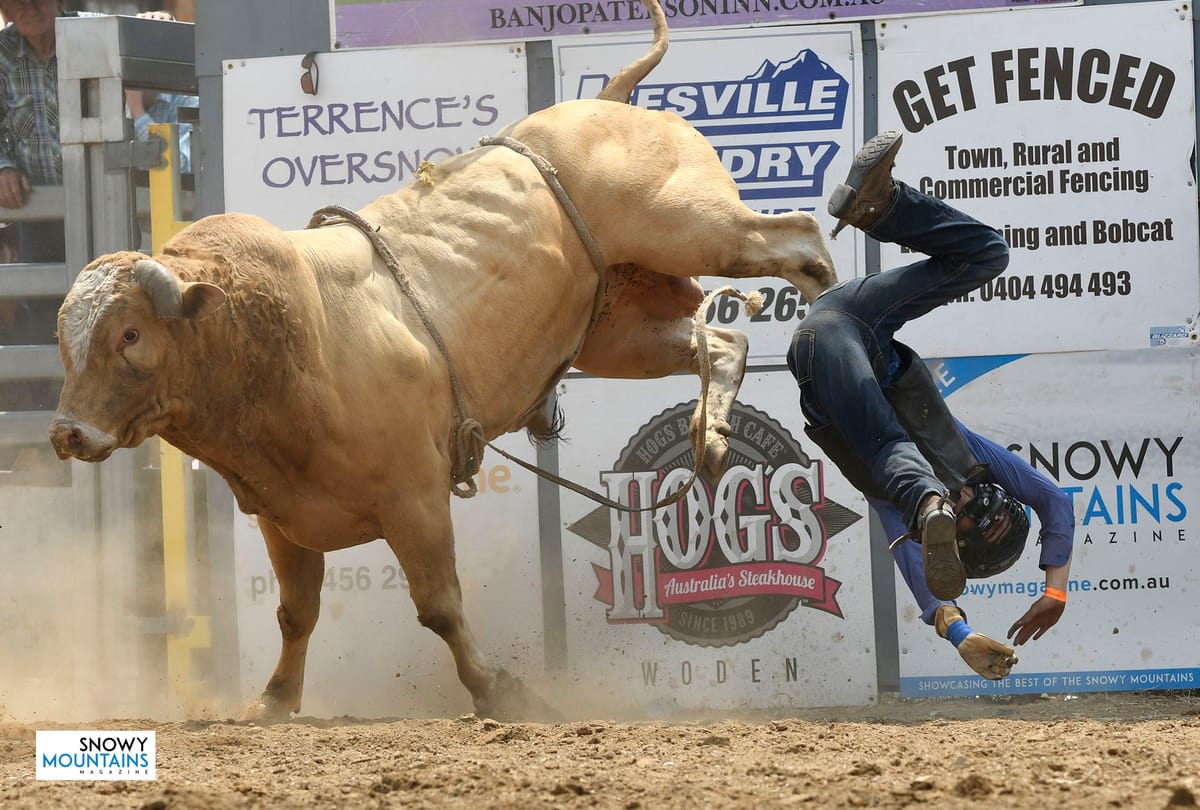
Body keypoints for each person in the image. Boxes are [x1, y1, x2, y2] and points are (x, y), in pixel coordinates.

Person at [786, 130, 1074, 678]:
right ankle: (879, 203)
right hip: (859, 321)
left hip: (825, 359)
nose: (963, 500)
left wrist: (958, 630)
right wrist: (1055, 592)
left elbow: (922, 580)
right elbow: (1056, 502)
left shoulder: (903, 511)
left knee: (894, 454)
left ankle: (926, 500)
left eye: (960, 517)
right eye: (973, 502)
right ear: (991, 492)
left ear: (949, 540)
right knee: (987, 254)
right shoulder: (974, 456)